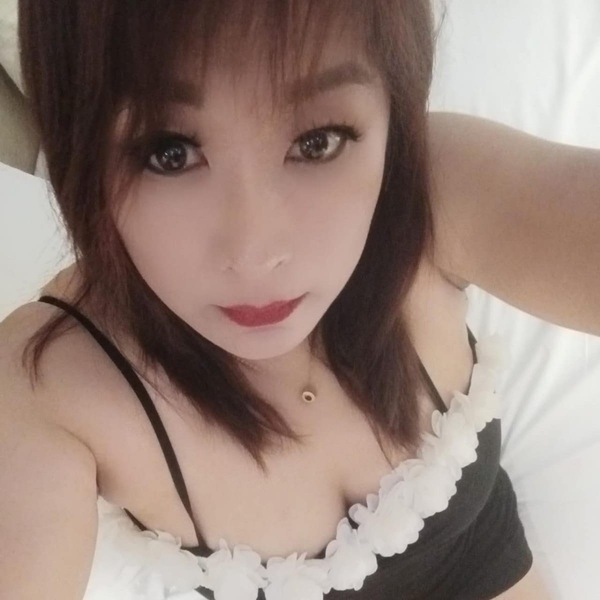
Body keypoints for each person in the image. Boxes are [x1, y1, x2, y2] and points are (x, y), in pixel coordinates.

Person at [1, 1, 597, 598]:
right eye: (169, 153)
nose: (255, 254)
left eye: (317, 142)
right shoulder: (49, 383)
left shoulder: (432, 196)